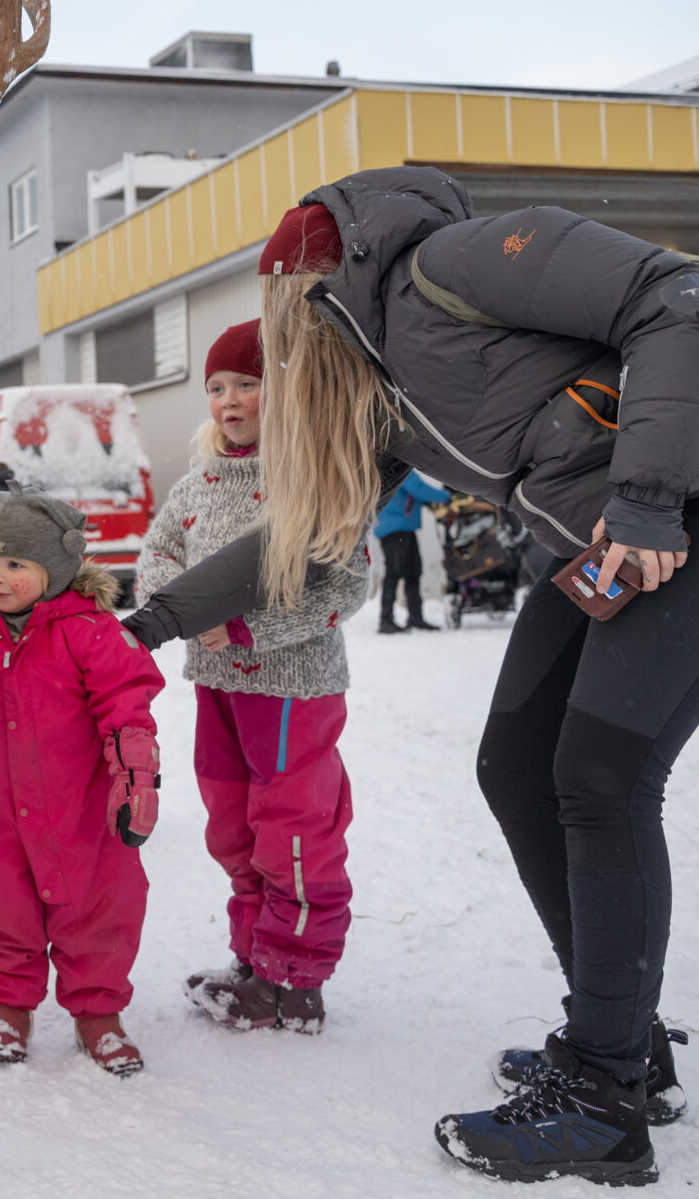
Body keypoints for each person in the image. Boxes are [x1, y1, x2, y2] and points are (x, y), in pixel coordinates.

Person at [122, 168, 698, 1186]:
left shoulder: (451, 266)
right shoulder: (375, 388)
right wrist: (153, 621)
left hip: (671, 517)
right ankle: (624, 1039)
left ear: (314, 287)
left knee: (601, 780)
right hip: (601, 549)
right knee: (515, 766)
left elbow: (675, 296)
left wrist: (649, 497)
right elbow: (296, 538)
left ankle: (604, 1099)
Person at [136, 320, 367, 1035]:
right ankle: (254, 957)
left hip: (293, 684)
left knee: (293, 828)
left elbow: (345, 586)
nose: (228, 400)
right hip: (217, 683)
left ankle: (294, 978)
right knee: (232, 822)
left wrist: (247, 628)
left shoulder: (314, 478)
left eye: (246, 384)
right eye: (216, 387)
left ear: (284, 392)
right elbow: (157, 555)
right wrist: (181, 610)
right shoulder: (199, 483)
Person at [0, 487, 165, 1075]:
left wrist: (135, 779)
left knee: (99, 908)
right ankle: (7, 1009)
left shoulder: (92, 633)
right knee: (2, 909)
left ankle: (99, 1014)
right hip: (1, 812)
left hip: (83, 810)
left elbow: (127, 708)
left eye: (16, 564)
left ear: (55, 567)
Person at [373, 469, 449, 632]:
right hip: (394, 528)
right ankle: (386, 620)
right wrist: (446, 497)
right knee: (393, 573)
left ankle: (415, 617)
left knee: (413, 573)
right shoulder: (399, 467)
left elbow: (414, 493)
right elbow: (418, 489)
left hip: (404, 527)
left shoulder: (395, 465)